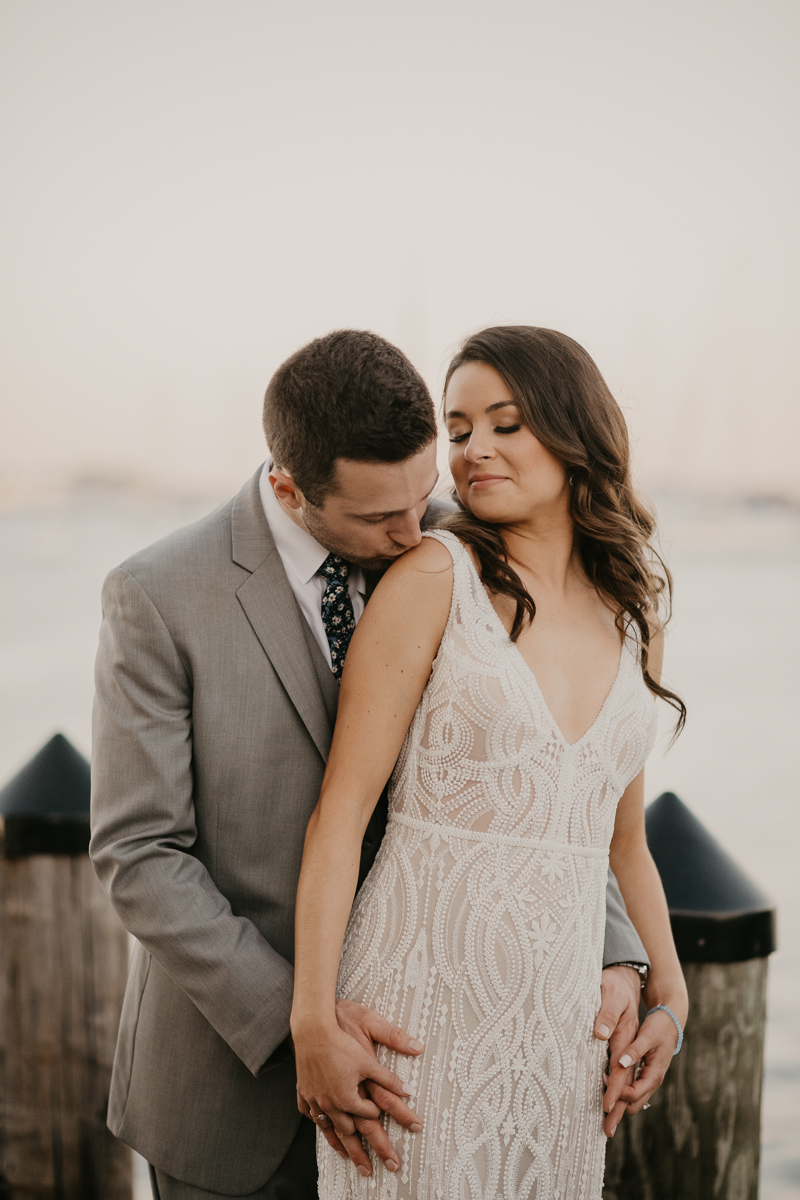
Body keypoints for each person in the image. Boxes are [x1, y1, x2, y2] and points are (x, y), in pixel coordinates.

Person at [90, 329, 655, 1199]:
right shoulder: (160, 597)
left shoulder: (456, 554)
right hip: (230, 1082)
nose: (411, 530)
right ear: (288, 486)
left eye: (423, 497)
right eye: (378, 517)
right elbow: (139, 853)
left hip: (431, 1062)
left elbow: (541, 776)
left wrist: (620, 954)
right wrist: (300, 1022)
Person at [291, 327, 689, 1199]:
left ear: (573, 430)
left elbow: (624, 844)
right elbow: (342, 812)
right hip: (416, 1013)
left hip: (560, 1031)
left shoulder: (636, 619)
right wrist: (311, 1021)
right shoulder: (438, 577)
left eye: (505, 424)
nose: (475, 451)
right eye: (461, 428)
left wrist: (671, 996)